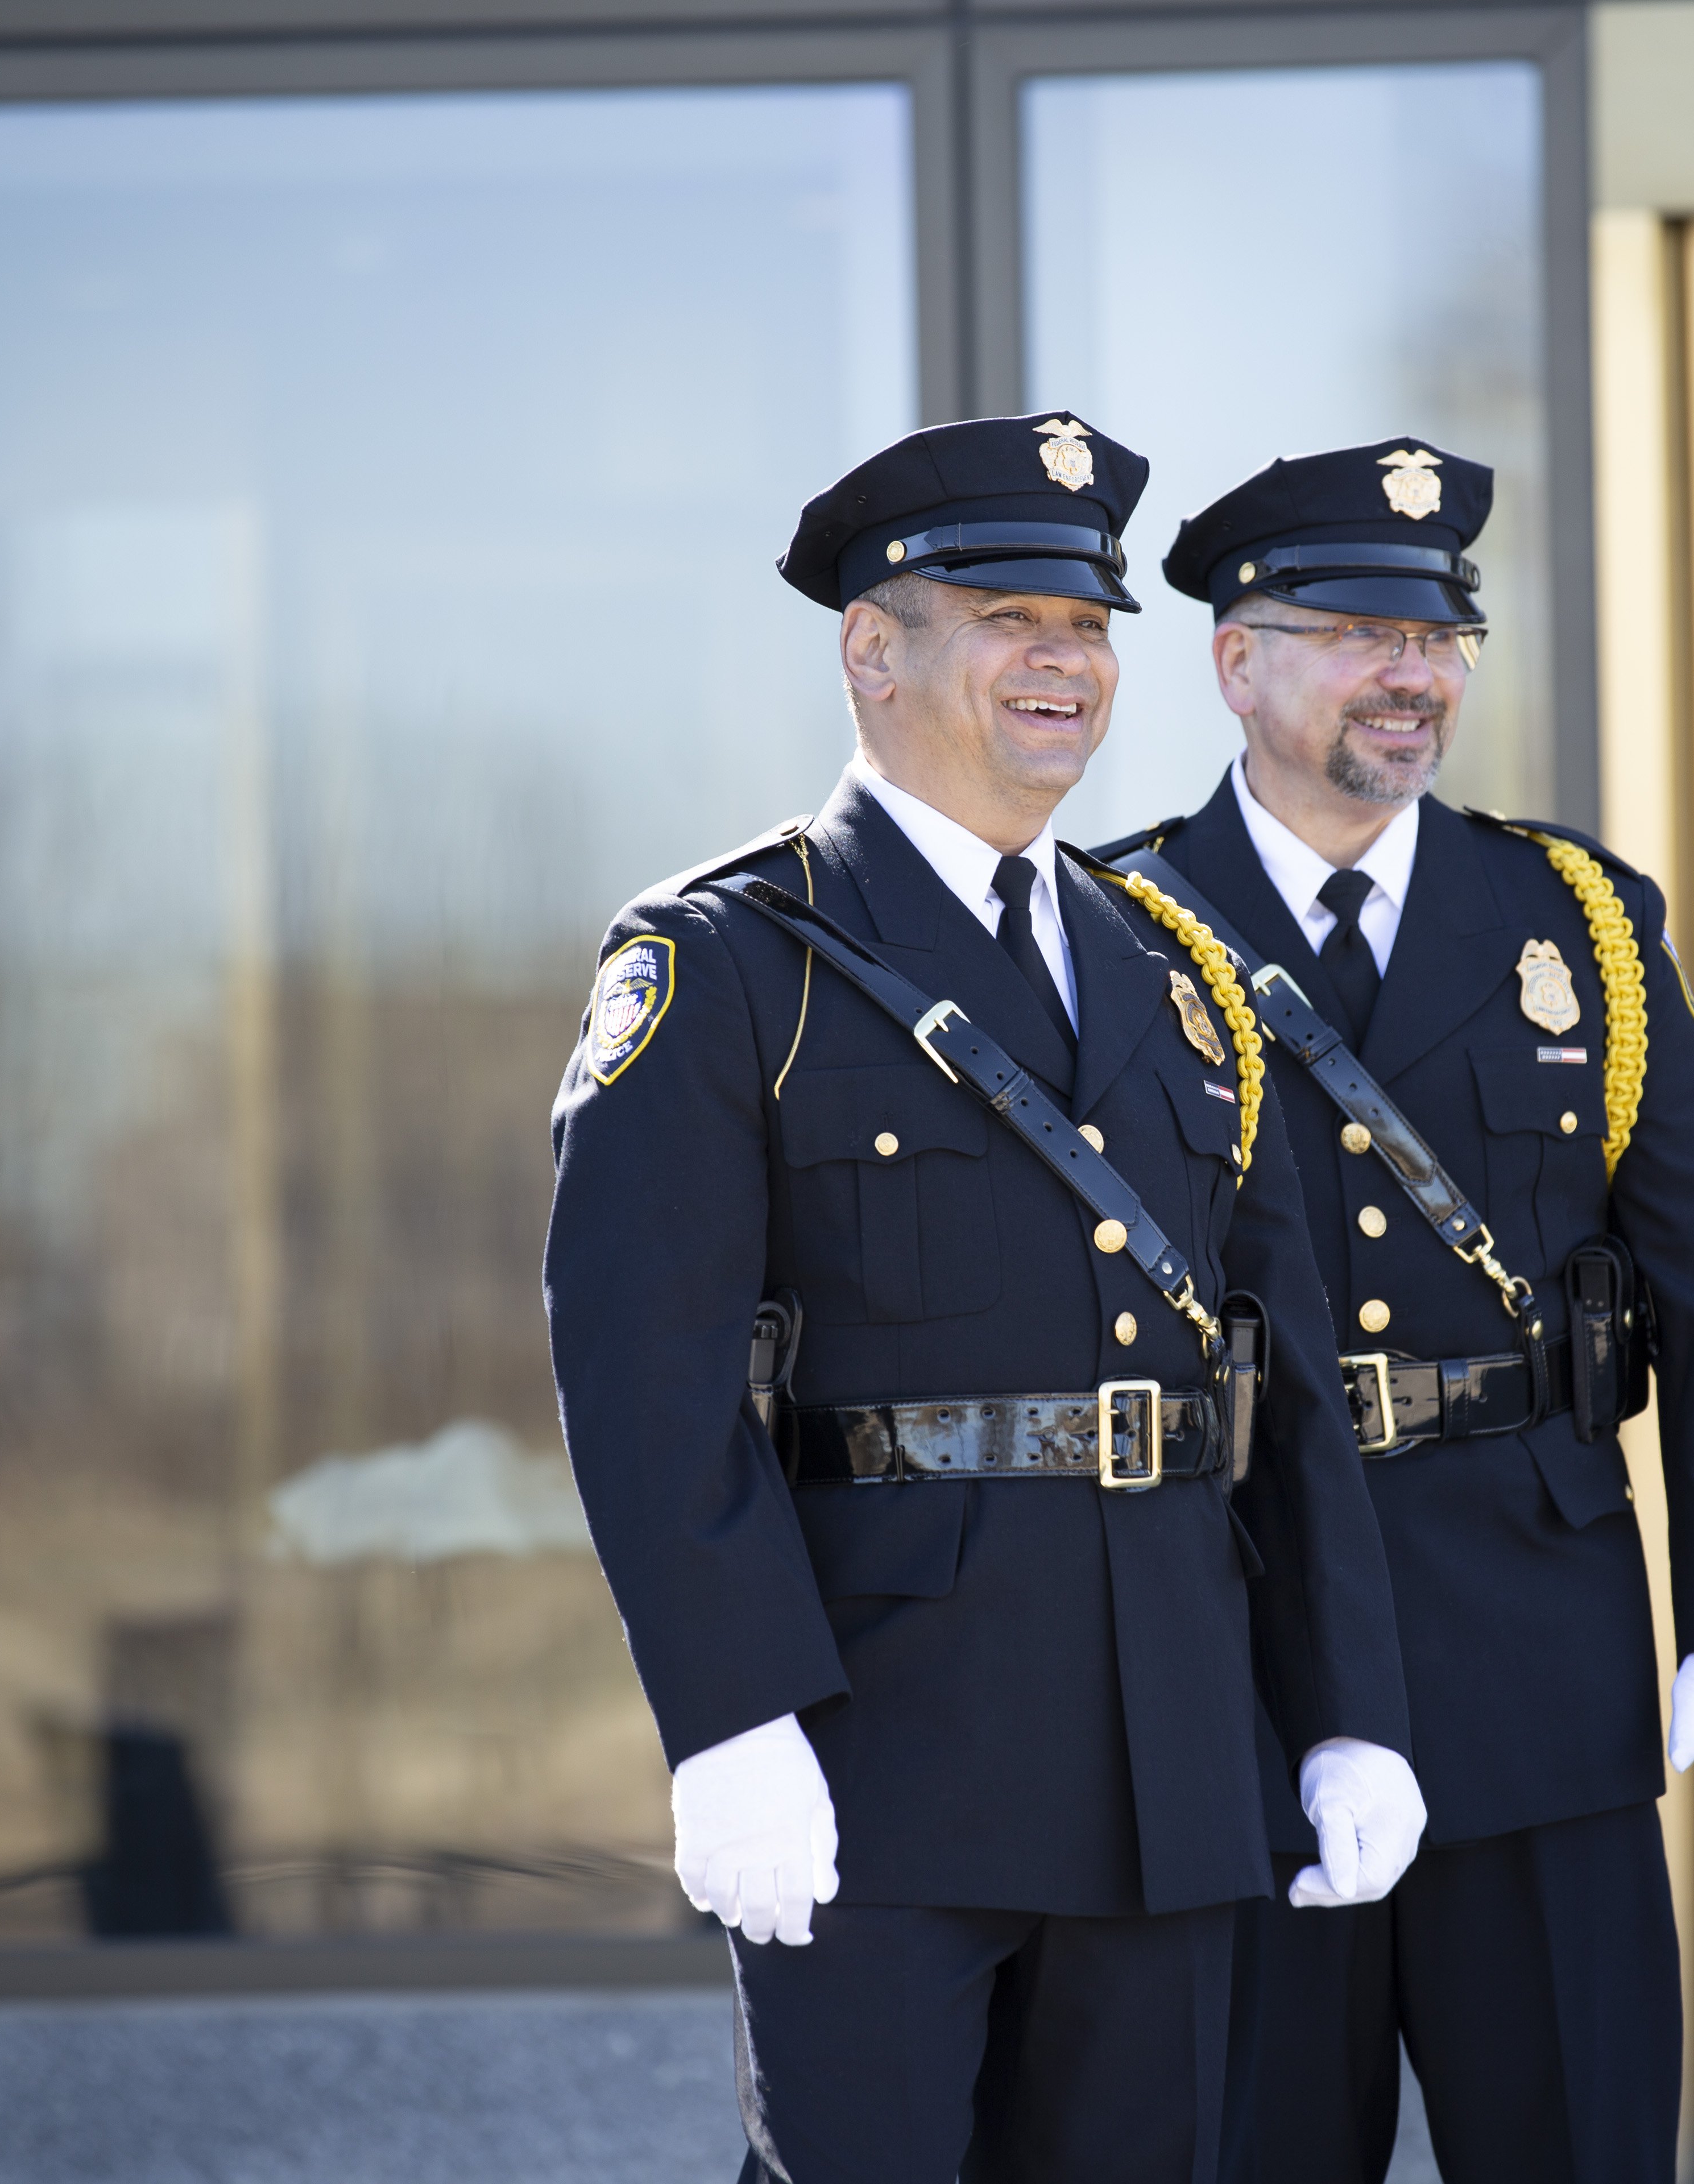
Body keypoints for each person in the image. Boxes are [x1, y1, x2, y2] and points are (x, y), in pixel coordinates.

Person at [541, 412, 1428, 2184]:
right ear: (874, 649)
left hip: (1168, 1754)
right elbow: (648, 1380)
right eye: (1012, 614)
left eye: (1091, 625)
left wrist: (1348, 1704)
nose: (1065, 661)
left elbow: (1278, 1377)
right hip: (886, 1755)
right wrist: (731, 1717)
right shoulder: (728, 960)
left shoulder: (1176, 972)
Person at [1095, 438, 1694, 2183]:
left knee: (1574, 2140)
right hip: (1239, 1657)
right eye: (1357, 630)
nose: (1412, 671)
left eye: (1440, 632)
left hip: (1534, 1649)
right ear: (1237, 660)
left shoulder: (1574, 920)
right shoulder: (1117, 931)